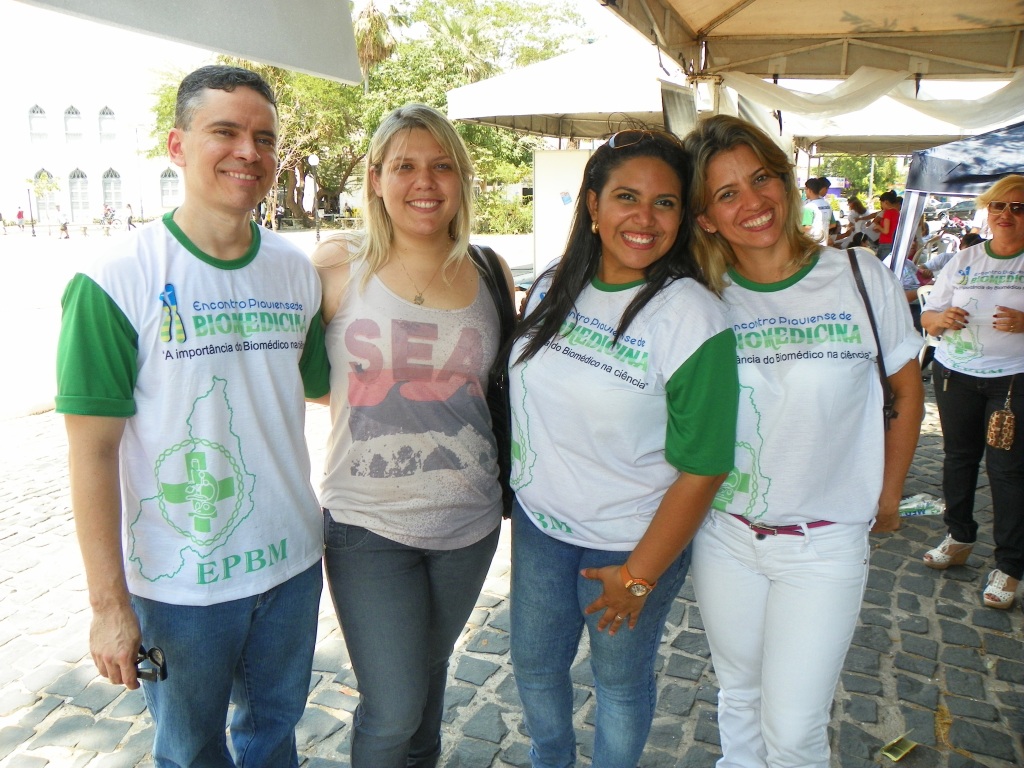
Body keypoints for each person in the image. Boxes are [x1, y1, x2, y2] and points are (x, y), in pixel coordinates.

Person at [55, 65, 331, 767]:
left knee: (273, 733)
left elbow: (327, 387)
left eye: (264, 138)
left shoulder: (296, 271)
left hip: (292, 566)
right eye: (226, 131)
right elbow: (90, 454)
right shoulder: (113, 279)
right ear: (178, 146)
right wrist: (108, 605)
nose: (249, 151)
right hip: (181, 585)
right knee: (190, 750)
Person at [683, 115, 924, 768]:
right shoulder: (701, 296)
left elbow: (904, 389)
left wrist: (890, 492)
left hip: (823, 545)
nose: (752, 201)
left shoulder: (858, 274)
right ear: (705, 217)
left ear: (785, 183)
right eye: (725, 193)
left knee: (792, 730)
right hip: (726, 535)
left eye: (760, 178)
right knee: (738, 698)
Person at [508, 128, 739, 768]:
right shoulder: (555, 281)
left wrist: (638, 577)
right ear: (592, 205)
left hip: (628, 541)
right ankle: (548, 758)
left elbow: (706, 466)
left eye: (664, 203)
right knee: (533, 664)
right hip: (540, 525)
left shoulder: (691, 315)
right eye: (626, 197)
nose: (643, 218)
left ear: (683, 216)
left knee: (618, 682)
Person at [312, 103, 513, 768]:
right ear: (375, 178)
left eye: (441, 166)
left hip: (469, 523)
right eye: (404, 166)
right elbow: (312, 380)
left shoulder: (490, 270)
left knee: (428, 687)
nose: (424, 181)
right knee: (393, 706)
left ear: (461, 180)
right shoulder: (338, 266)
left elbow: (497, 387)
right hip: (367, 525)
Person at [920, 175, 1024, 610]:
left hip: (1012, 379)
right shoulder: (964, 259)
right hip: (955, 373)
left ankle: (1010, 565)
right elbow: (928, 316)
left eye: (1017, 208)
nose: (1005, 215)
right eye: (998, 206)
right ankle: (959, 535)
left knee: (1007, 470)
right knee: (958, 458)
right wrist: (942, 320)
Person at [873, 190, 901, 260]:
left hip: (886, 242)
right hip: (892, 242)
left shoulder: (888, 213)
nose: (881, 205)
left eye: (881, 203)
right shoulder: (897, 212)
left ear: (886, 202)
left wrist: (878, 227)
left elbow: (886, 231)